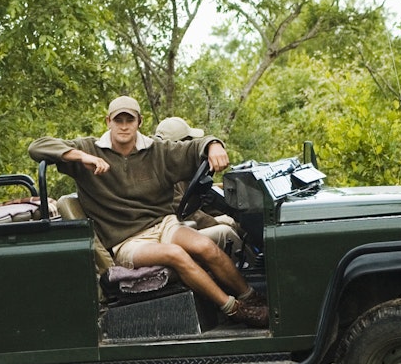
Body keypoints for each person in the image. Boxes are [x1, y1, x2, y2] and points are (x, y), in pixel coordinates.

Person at [30, 97, 269, 327]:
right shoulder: (91, 149)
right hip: (128, 241)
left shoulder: (156, 151)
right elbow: (38, 146)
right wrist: (82, 157)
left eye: (129, 120)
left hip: (163, 225)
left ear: (139, 122)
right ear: (108, 122)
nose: (124, 126)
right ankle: (234, 309)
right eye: (118, 120)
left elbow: (192, 147)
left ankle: (252, 298)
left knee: (206, 247)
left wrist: (213, 145)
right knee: (176, 255)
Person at [154, 116, 244, 258]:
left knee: (234, 222)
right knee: (225, 232)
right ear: (178, 145)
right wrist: (214, 222)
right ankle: (250, 272)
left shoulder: (178, 169)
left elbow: (194, 194)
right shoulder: (161, 174)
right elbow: (185, 211)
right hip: (172, 231)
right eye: (189, 141)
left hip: (185, 226)